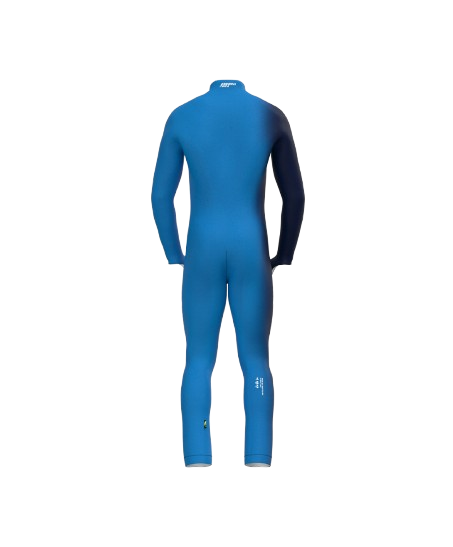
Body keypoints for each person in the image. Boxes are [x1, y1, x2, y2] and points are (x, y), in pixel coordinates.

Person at [152, 79, 304, 467]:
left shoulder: (182, 116)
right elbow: (295, 196)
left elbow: (160, 196)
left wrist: (174, 252)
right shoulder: (271, 115)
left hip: (201, 249)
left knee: (198, 360)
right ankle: (258, 457)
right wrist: (284, 252)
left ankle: (197, 456)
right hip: (251, 249)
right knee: (256, 360)